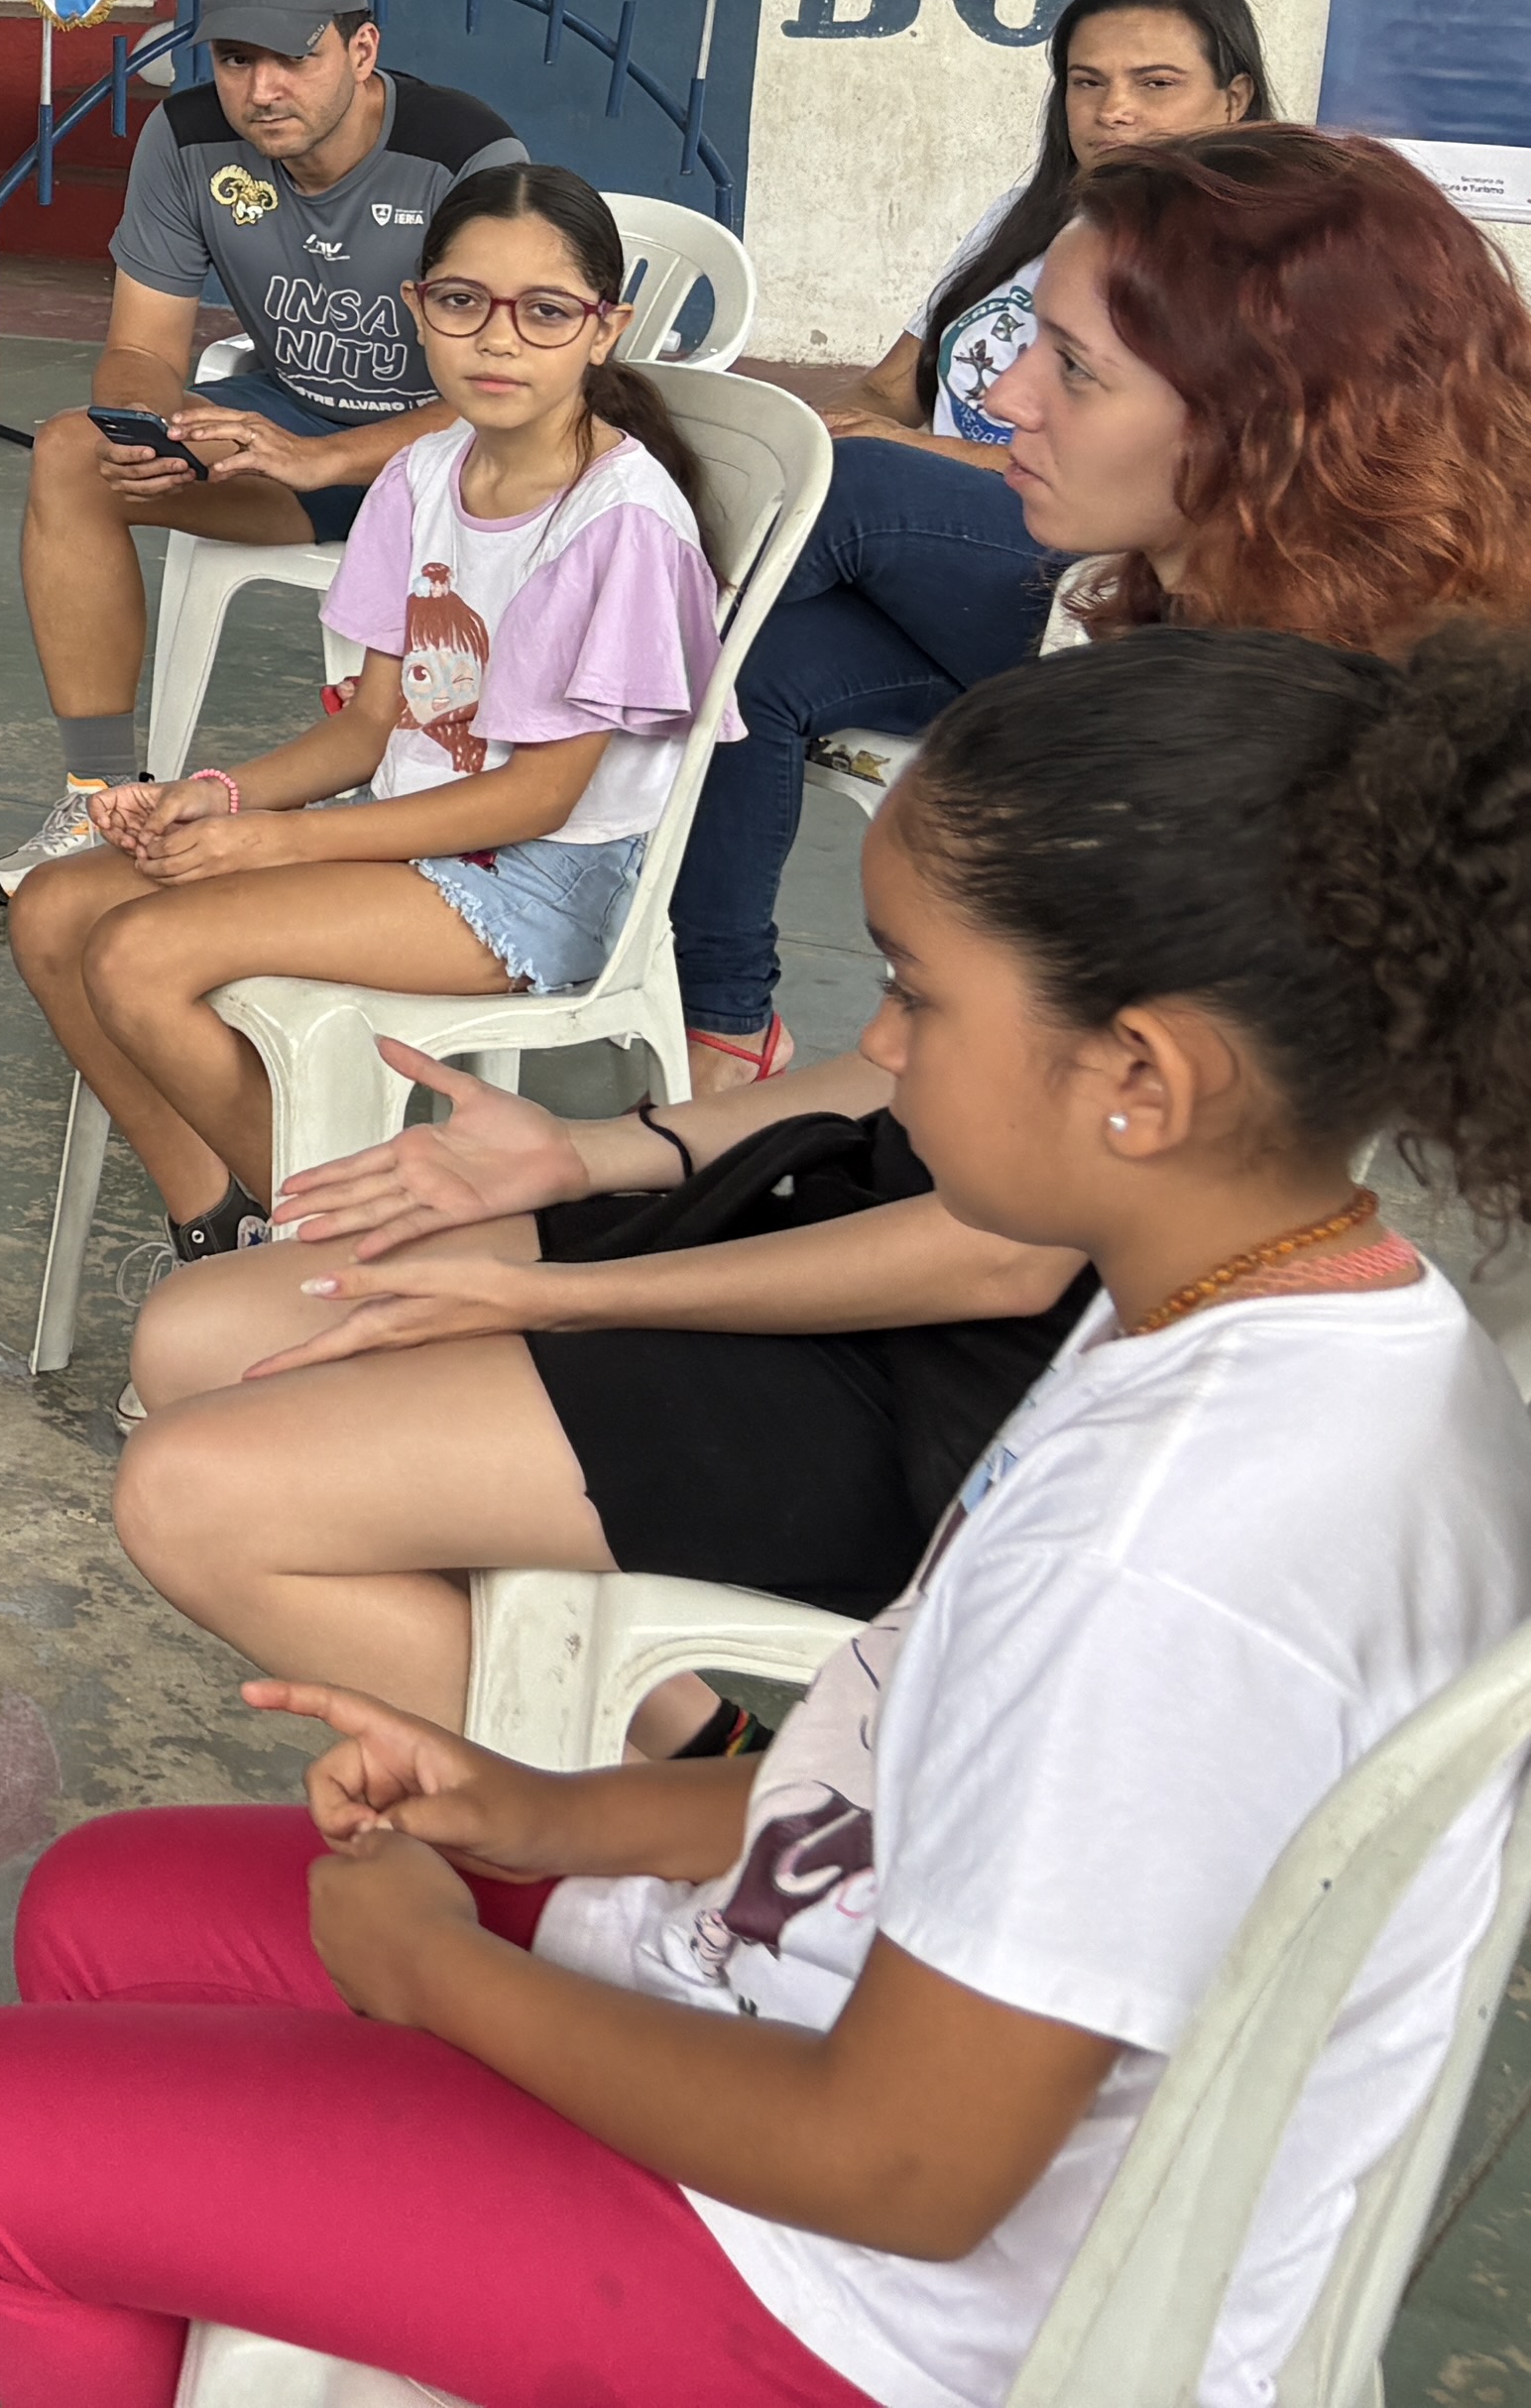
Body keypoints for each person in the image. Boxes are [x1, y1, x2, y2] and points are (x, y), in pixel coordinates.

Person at [0, 620, 1531, 2408]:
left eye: (917, 990)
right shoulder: (1252, 1296)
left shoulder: (1176, 1546)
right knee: (105, 1909)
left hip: (869, 2304)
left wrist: (443, 1977)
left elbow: (905, 2166)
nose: (874, 1037)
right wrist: (554, 1807)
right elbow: (925, 1779)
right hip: (798, 2004)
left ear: (1144, 1073)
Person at [115, 121, 1531, 1734]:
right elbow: (895, 1055)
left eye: (1070, 368)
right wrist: (594, 1153)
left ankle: (674, 1821)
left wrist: (557, 1293)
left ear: (1264, 421)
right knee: (200, 1328)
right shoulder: (1127, 610)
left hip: (992, 1372)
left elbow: (1003, 1256)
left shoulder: (1302, 761)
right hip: (893, 1201)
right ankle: (669, 1747)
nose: (1002, 399)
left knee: (203, 1477)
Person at [10, 163, 721, 1261]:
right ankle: (223, 1218)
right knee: (55, 911)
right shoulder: (424, 474)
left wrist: (277, 841)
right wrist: (217, 795)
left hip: (541, 882)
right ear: (417, 313)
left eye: (543, 313)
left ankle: (362, 1251)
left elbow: (536, 797)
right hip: (411, 841)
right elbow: (371, 727)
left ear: (603, 329)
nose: (497, 341)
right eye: (460, 303)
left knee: (139, 954)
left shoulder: (617, 524)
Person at [667, 0, 1264, 1081]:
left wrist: (903, 457)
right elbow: (902, 379)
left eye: (1156, 83)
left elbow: (1187, 477)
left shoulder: (1235, 259)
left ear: (1233, 101)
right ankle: (727, 1021)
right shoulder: (1031, 219)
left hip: (1094, 593)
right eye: (1087, 83)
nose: (1116, 111)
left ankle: (560, 696)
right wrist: (861, 419)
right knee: (757, 668)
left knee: (843, 495)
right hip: (948, 583)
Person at [0, 0, 528, 903]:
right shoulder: (188, 137)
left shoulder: (465, 156)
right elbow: (144, 347)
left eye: (295, 59)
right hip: (285, 432)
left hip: (450, 469)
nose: (262, 90)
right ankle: (101, 799)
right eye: (237, 60)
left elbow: (509, 404)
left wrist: (324, 460)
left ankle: (366, 817)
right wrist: (148, 426)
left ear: (361, 54)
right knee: (73, 452)